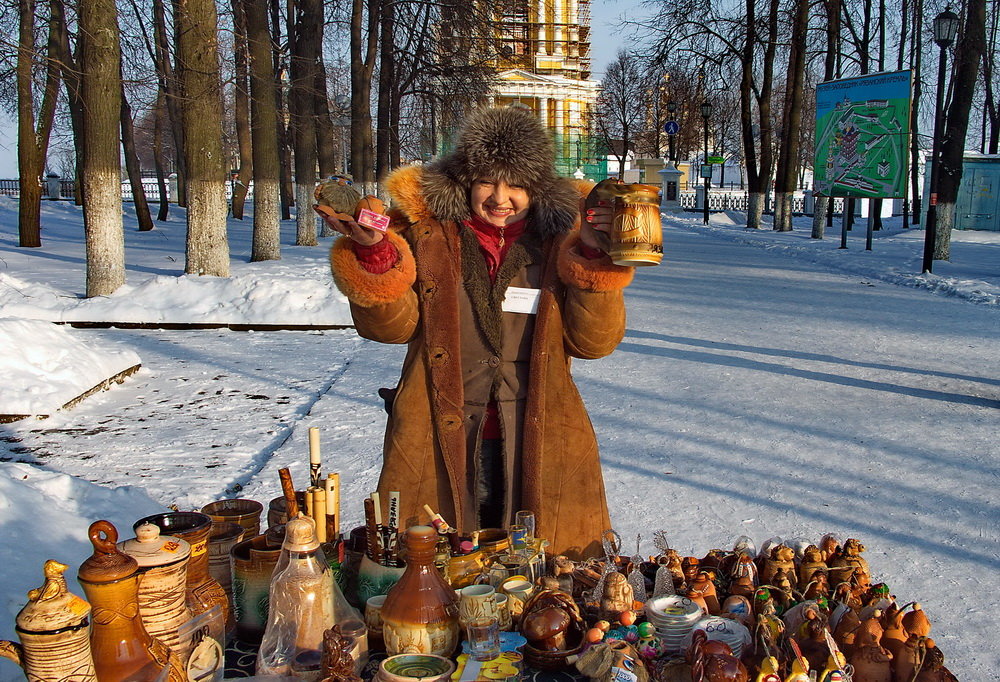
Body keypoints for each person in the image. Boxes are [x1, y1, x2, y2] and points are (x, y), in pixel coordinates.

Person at [319, 106, 634, 558]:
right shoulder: (424, 234)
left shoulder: (562, 239)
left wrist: (590, 259)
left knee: (541, 584)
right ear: (465, 181)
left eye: (517, 184)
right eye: (488, 180)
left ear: (537, 188)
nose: (500, 197)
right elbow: (392, 329)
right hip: (435, 433)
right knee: (436, 581)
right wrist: (375, 258)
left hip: (541, 437)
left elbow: (593, 343)